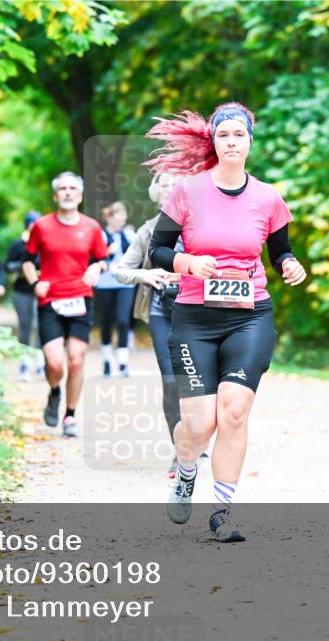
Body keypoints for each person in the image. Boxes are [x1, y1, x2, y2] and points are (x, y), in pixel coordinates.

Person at [145, 102, 308, 542]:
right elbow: (157, 251)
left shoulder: (269, 197)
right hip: (195, 318)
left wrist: (291, 265)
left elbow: (280, 252)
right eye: (224, 135)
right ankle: (184, 472)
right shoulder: (188, 192)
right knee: (199, 425)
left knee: (233, 413)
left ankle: (222, 511)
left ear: (250, 141)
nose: (232, 141)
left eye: (239, 135)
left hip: (249, 317)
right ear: (214, 143)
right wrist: (187, 262)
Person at [22, 172, 109, 438]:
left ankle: (70, 416)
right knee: (55, 362)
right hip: (50, 299)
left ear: (80, 195)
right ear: (55, 195)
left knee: (76, 359)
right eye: (63, 188)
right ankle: (55, 392)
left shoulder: (91, 227)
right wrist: (34, 283)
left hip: (80, 299)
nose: (68, 192)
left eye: (73, 188)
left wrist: (97, 268)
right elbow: (27, 260)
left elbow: (102, 259)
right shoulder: (41, 226)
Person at [114, 173, 186, 477]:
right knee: (171, 381)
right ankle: (180, 451)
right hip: (161, 310)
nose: (169, 188)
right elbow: (121, 271)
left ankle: (197, 433)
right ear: (156, 193)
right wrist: (145, 275)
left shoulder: (200, 225)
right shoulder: (147, 231)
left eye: (176, 183)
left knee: (199, 382)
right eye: (164, 184)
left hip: (199, 312)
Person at [94, 201, 138, 378]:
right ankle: (106, 360)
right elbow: (94, 257)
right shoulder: (101, 235)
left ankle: (122, 362)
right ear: (109, 217)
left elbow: (139, 254)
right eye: (118, 216)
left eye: (124, 216)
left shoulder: (129, 235)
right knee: (106, 322)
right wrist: (106, 252)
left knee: (123, 321)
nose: (122, 220)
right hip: (105, 284)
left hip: (125, 283)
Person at [5, 211, 45, 382]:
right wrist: (21, 268)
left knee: (40, 326)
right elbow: (7, 265)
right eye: (31, 223)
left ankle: (41, 363)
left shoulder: (45, 243)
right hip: (22, 291)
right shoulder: (18, 244)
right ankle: (24, 364)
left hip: (41, 291)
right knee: (25, 327)